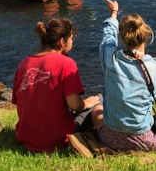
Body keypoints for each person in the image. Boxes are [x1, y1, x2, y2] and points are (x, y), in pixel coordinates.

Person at [96, 0, 156, 152]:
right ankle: (134, 149)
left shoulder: (110, 58)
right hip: (142, 140)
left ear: (122, 38)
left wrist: (113, 13)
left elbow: (107, 37)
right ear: (146, 36)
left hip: (110, 138)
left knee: (96, 111)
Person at [12, 18, 100, 153]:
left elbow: (21, 101)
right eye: (71, 39)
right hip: (58, 139)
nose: (72, 43)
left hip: (26, 137)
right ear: (61, 42)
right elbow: (75, 106)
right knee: (100, 100)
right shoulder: (66, 63)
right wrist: (86, 104)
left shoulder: (24, 64)